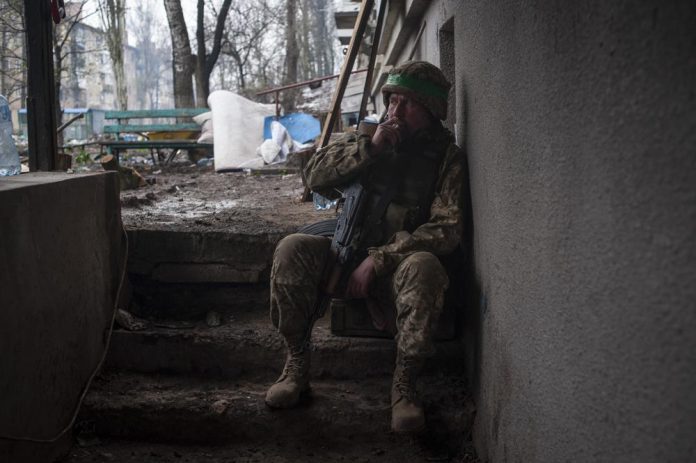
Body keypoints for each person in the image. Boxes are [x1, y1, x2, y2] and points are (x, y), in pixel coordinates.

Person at [265, 61, 464, 433]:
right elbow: (314, 176)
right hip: (343, 254)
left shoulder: (446, 158)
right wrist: (367, 151)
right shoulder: (369, 138)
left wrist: (379, 259)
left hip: (395, 268)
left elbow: (447, 228)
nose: (395, 112)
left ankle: (405, 386)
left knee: (426, 267)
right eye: (392, 101)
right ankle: (296, 363)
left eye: (408, 104)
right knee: (291, 248)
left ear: (432, 110)